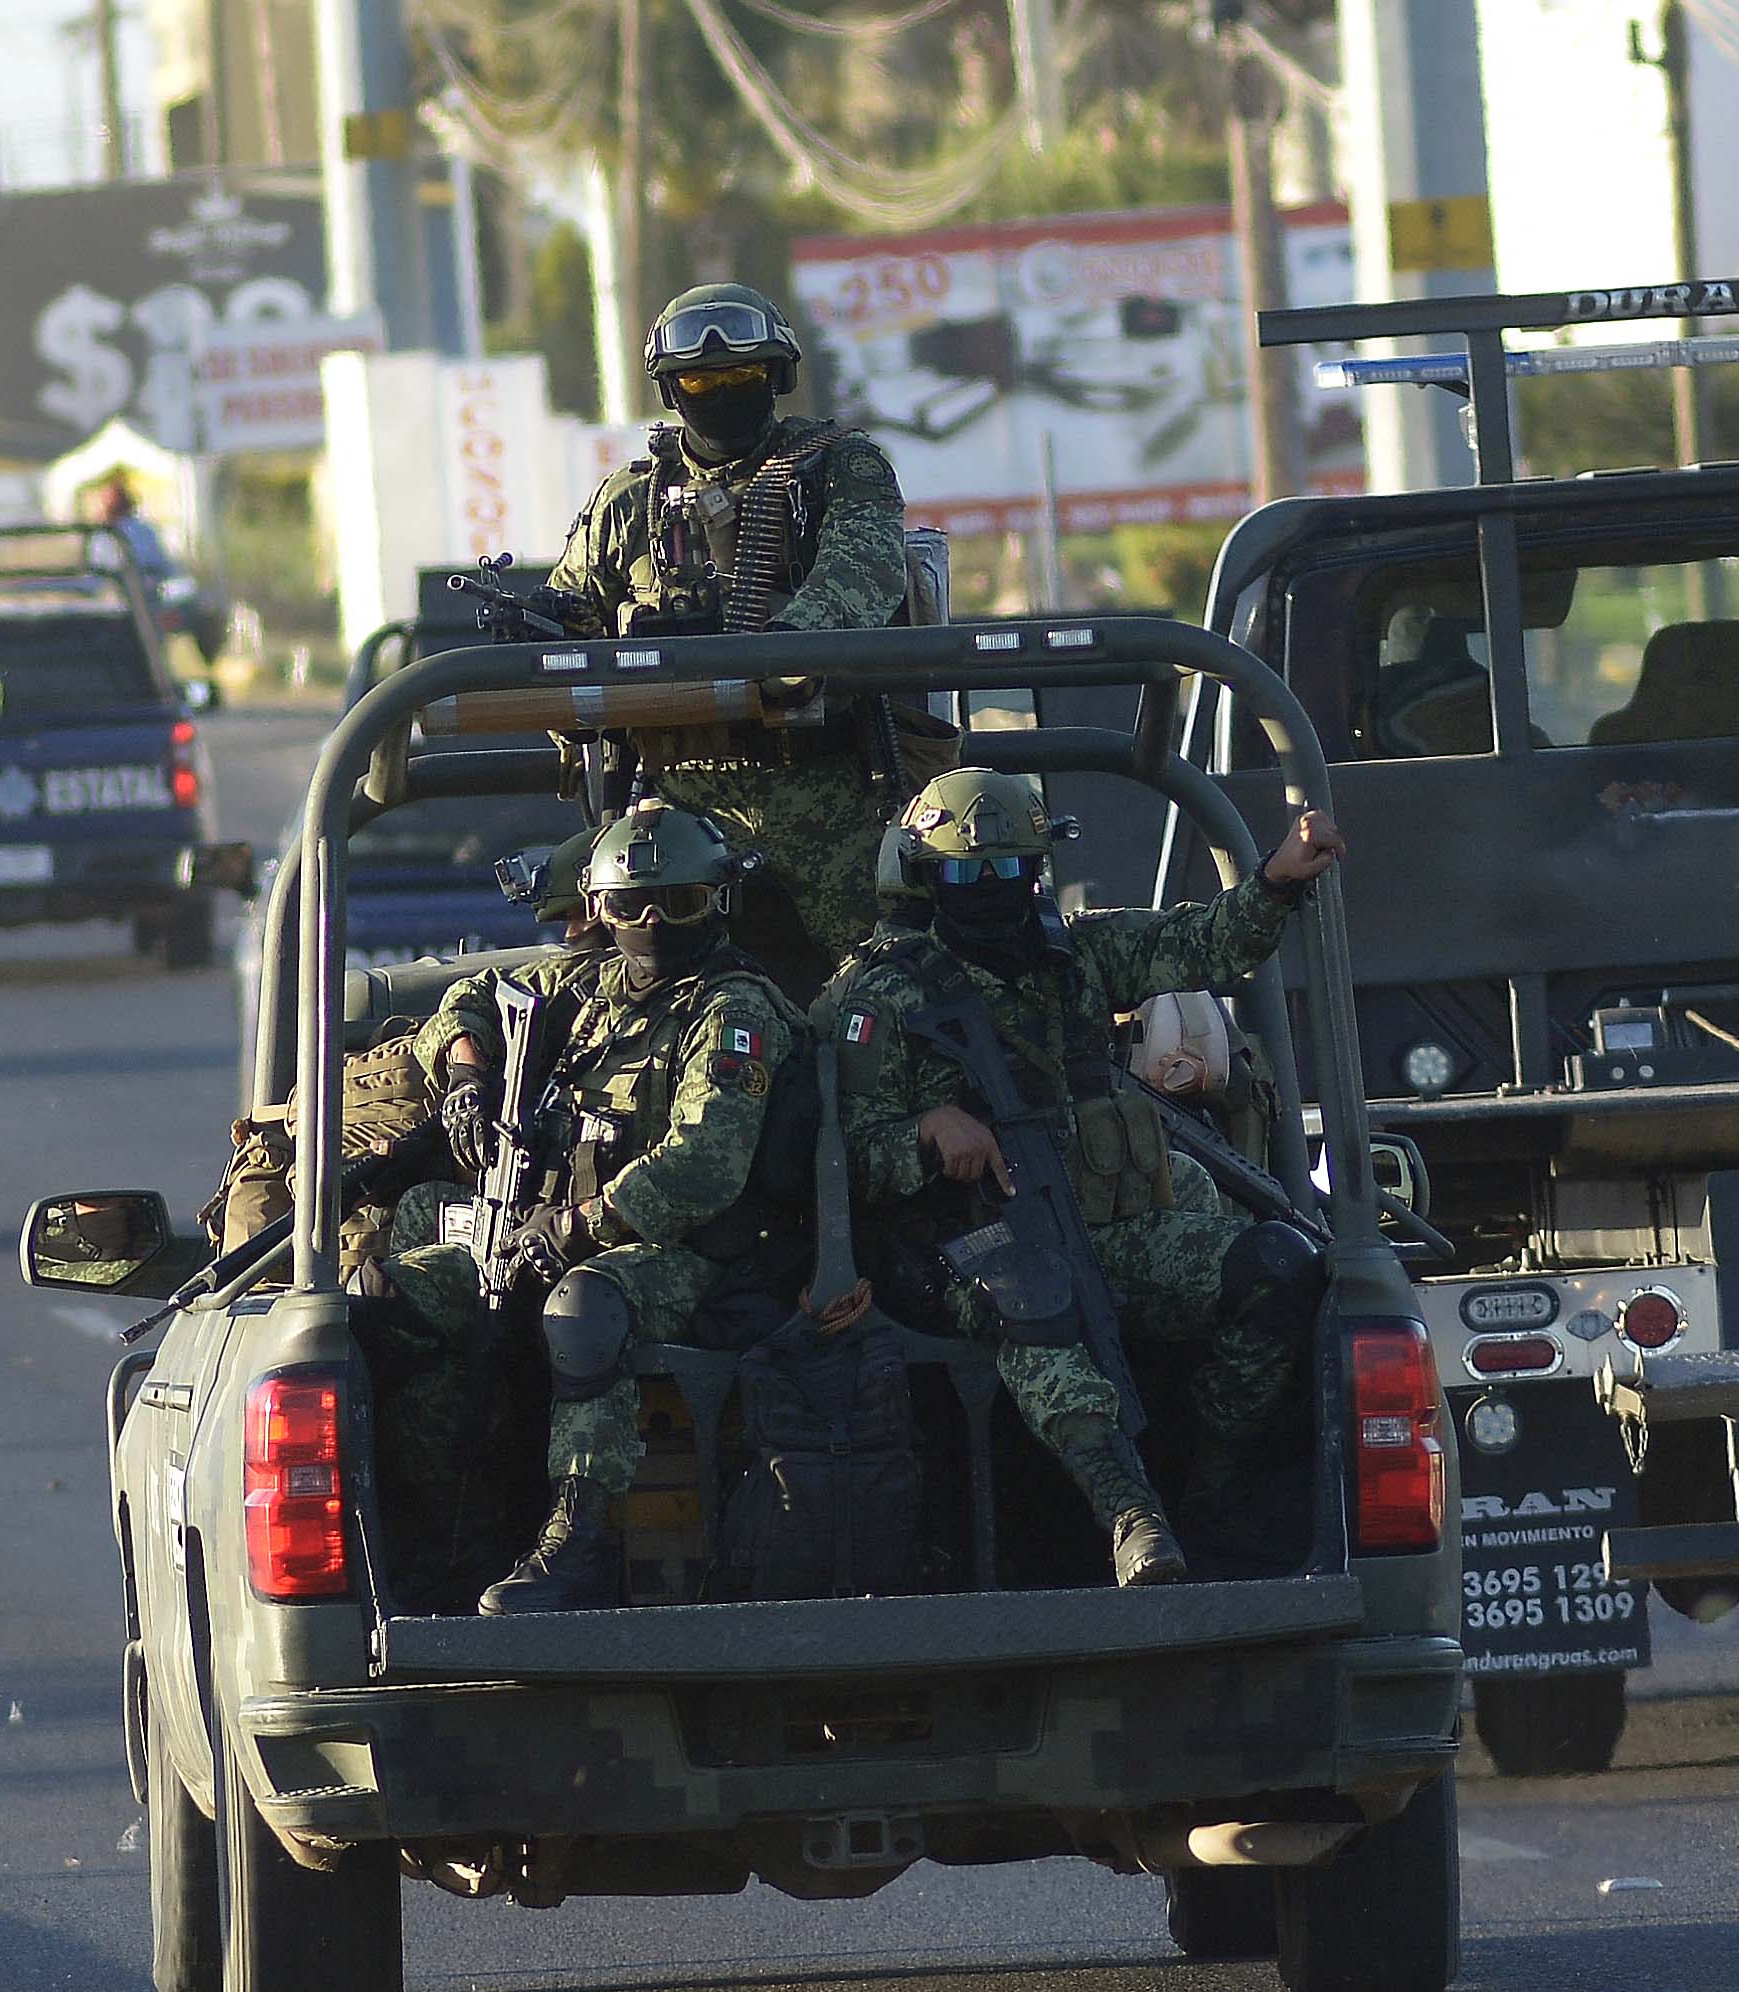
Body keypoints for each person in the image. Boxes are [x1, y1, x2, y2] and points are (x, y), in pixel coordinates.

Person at [813, 768, 1346, 1587]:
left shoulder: (1074, 954)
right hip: (959, 1244)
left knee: (1277, 1266)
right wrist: (925, 1133)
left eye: (1009, 867)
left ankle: (1216, 1496)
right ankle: (1132, 1517)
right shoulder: (879, 994)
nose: (990, 888)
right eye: (965, 872)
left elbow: (1202, 941)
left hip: (1094, 1223)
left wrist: (1275, 880)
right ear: (925, 876)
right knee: (1036, 1299)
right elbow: (835, 1158)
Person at [376, 801, 806, 1615]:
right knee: (394, 1298)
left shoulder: (733, 1010)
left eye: (677, 903)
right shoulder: (591, 988)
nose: (652, 924)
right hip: (553, 1228)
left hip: (691, 1255)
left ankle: (579, 1543)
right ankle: (442, 1532)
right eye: (630, 905)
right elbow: (470, 997)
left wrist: (578, 1229)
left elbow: (702, 1169)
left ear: (715, 904)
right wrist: (465, 1071)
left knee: (584, 1308)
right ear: (601, 908)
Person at [544, 285, 914, 997]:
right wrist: (547, 643)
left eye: (741, 375)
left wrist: (783, 649)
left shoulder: (838, 466)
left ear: (776, 375)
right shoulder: (631, 501)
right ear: (670, 391)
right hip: (678, 814)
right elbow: (571, 614)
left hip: (829, 797)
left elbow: (862, 570)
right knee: (667, 1001)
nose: (720, 393)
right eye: (699, 381)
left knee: (874, 994)